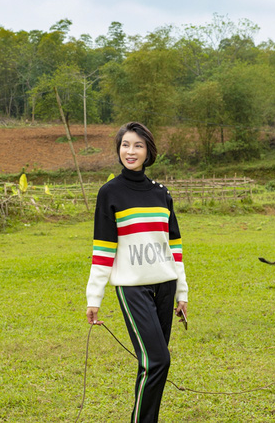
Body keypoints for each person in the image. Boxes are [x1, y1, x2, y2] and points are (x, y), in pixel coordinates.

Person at [85, 121, 188, 423]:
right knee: (158, 360)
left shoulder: (161, 193)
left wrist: (181, 292)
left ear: (148, 151)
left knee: (151, 364)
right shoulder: (110, 193)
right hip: (133, 288)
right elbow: (104, 250)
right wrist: (95, 297)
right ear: (118, 149)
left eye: (138, 145)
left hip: (165, 285)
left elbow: (174, 248)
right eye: (125, 145)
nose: (131, 151)